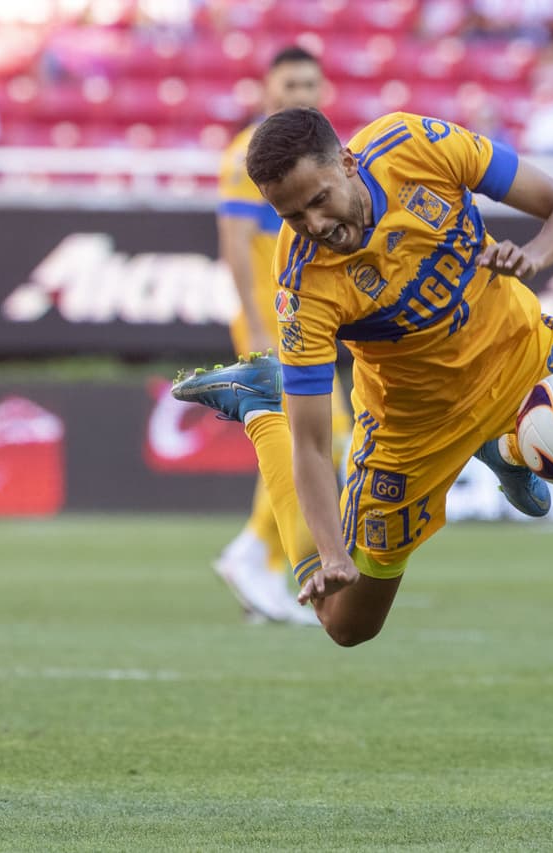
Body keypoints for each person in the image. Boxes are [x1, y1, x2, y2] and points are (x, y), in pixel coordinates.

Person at [173, 107, 553, 648]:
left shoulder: (416, 146)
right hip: (414, 430)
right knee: (346, 625)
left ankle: (507, 446)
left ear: (347, 162)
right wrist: (333, 556)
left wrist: (533, 256)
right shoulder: (302, 285)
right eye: (292, 216)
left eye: (318, 200)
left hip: (525, 357)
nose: (314, 226)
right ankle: (263, 405)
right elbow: (313, 447)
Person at [212, 46, 343, 625]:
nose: (301, 95)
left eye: (310, 84)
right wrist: (256, 326)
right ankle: (256, 553)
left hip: (303, 320)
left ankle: (259, 555)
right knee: (317, 436)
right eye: (291, 84)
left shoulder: (316, 155)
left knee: (322, 438)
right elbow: (236, 245)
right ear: (267, 89)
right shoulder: (248, 154)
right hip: (271, 322)